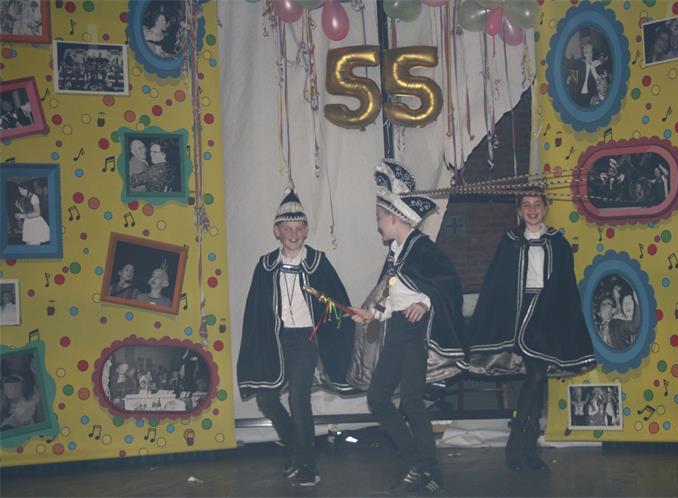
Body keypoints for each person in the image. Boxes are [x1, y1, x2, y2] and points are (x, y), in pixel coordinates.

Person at [347, 159, 466, 495]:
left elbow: (447, 284)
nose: (378, 226)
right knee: (378, 397)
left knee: (411, 402)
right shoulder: (396, 253)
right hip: (397, 329)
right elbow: (393, 295)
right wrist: (371, 314)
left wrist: (425, 303)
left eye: (379, 218)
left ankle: (428, 470)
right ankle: (418, 463)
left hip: (417, 331)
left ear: (394, 217)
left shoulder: (423, 248)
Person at [464, 186, 595, 471]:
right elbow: (497, 282)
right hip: (517, 315)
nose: (532, 210)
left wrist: (566, 320)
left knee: (537, 376)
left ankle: (521, 447)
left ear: (546, 208)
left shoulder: (558, 242)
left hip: (545, 316)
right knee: (534, 378)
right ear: (519, 211)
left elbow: (565, 286)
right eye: (526, 205)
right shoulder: (509, 241)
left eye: (537, 204)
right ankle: (521, 448)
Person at [236, 187, 354, 488]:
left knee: (299, 399)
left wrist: (341, 323)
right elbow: (255, 312)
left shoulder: (317, 261)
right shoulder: (265, 265)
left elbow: (337, 300)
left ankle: (307, 466)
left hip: (305, 340)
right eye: (287, 228)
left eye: (299, 228)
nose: (293, 234)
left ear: (306, 231)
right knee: (266, 398)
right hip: (275, 340)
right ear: (276, 231)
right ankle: (295, 448)